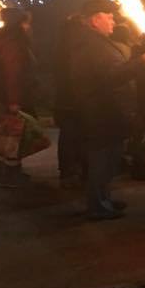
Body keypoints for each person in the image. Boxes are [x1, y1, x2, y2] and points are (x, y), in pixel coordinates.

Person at [71, 0, 145, 220]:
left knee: (109, 159)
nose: (113, 21)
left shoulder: (97, 43)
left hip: (107, 111)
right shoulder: (94, 45)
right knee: (101, 160)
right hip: (101, 112)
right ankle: (97, 204)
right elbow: (112, 76)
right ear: (95, 20)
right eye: (108, 17)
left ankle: (104, 198)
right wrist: (140, 63)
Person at [0, 7, 37, 188]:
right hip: (12, 95)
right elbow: (13, 73)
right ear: (19, 23)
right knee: (14, 136)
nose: (28, 27)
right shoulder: (14, 42)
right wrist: (14, 100)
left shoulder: (1, 38)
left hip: (2, 94)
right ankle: (11, 174)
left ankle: (4, 171)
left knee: (6, 134)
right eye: (25, 23)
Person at [118, 25, 145, 181]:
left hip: (134, 105)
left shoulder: (127, 58)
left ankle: (136, 164)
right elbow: (144, 87)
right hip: (141, 105)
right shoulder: (140, 68)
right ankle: (139, 165)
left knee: (138, 136)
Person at [55, 15, 87, 188]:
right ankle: (69, 171)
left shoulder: (63, 44)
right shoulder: (75, 47)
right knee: (72, 134)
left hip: (66, 97)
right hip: (73, 97)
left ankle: (68, 169)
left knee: (69, 134)